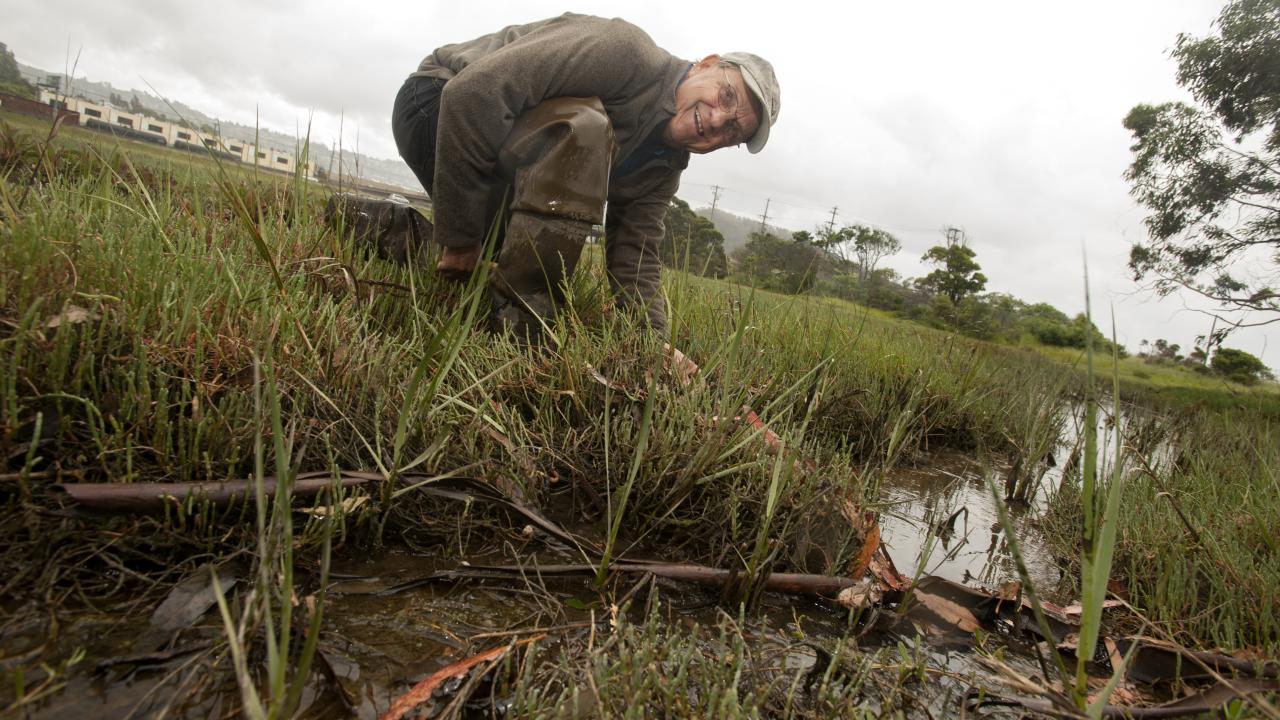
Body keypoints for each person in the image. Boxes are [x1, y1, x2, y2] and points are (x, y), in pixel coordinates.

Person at [382, 12, 780, 340]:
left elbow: (635, 256)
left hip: (492, 151)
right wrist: (461, 239)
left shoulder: (664, 166)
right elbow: (471, 95)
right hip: (435, 102)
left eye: (732, 131)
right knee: (586, 131)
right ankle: (523, 330)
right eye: (725, 96)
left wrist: (652, 344)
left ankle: (382, 228)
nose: (716, 122)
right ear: (706, 64)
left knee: (504, 259)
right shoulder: (627, 54)